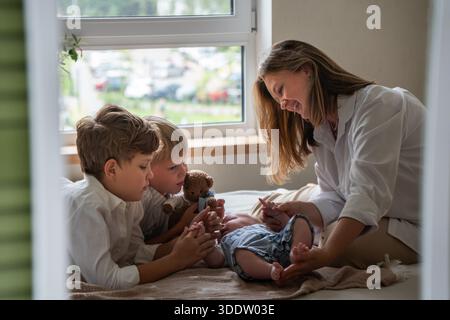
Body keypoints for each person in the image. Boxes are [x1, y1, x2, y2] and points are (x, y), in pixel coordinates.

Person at [252, 40, 425, 284]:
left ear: (306, 70)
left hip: (419, 224)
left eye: (280, 90)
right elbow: (334, 194)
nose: (283, 104)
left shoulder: (379, 106)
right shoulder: (321, 129)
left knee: (339, 245)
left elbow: (366, 193)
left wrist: (326, 253)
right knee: (297, 214)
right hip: (384, 211)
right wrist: (303, 211)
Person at [63, 104, 216, 289]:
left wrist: (181, 242)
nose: (150, 175)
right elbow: (106, 280)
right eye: (144, 166)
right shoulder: (87, 209)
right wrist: (176, 260)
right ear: (112, 169)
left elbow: (135, 252)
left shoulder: (129, 199)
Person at [140, 116, 225, 245]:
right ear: (146, 167)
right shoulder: (142, 201)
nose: (184, 171)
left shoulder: (168, 191)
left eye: (184, 162)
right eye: (173, 167)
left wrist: (203, 220)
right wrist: (181, 226)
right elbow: (141, 249)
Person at [191, 198, 315, 281]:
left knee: (299, 220)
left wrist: (278, 215)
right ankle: (271, 271)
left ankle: (296, 253)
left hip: (277, 243)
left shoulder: (261, 224)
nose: (222, 225)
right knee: (240, 254)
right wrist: (202, 238)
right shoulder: (225, 242)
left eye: (227, 219)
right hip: (254, 255)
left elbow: (286, 228)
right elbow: (216, 261)